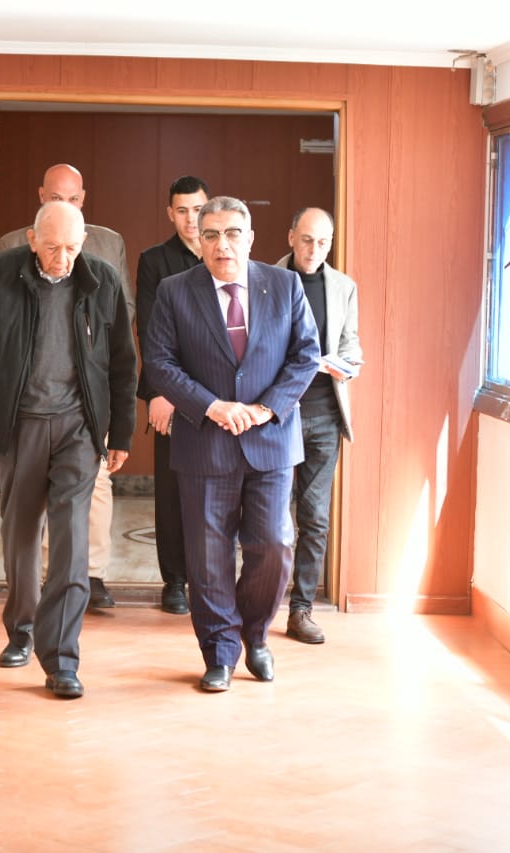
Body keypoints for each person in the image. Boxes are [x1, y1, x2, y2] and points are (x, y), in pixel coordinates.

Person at [0, 201, 137, 699]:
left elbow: (122, 363)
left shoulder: (102, 280)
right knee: (21, 533)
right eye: (52, 247)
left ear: (83, 243)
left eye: (71, 248)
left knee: (71, 539)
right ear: (32, 240)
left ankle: (62, 658)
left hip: (79, 428)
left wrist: (121, 434)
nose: (62, 258)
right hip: (18, 425)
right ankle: (22, 629)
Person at [144, 196, 319, 692]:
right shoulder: (175, 291)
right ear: (199, 241)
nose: (223, 245)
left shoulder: (284, 285)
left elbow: (306, 355)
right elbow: (159, 363)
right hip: (205, 440)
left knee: (274, 545)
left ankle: (255, 635)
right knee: (207, 557)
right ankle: (219, 652)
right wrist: (212, 406)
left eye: (233, 233)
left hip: (271, 439)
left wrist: (266, 409)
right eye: (212, 235)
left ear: (251, 238)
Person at [0, 163, 131, 609]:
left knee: (92, 492)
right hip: (28, 406)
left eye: (72, 199)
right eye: (56, 197)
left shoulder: (108, 243)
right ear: (41, 197)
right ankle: (35, 590)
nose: (63, 256)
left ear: (83, 200)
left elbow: (122, 316)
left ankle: (88, 576)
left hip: (86, 400)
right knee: (27, 506)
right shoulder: (10, 248)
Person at [275, 208, 362, 644]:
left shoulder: (344, 287)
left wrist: (346, 365)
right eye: (307, 239)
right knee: (269, 517)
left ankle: (302, 609)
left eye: (323, 242)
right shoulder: (266, 280)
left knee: (315, 518)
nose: (314, 250)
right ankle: (259, 603)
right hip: (278, 416)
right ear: (291, 236)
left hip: (326, 415)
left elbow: (351, 347)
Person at [134, 175, 210, 615]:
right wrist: (159, 393)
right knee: (171, 491)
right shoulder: (154, 261)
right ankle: (175, 582)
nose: (190, 219)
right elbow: (150, 331)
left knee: (215, 492)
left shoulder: (224, 254)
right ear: (170, 214)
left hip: (217, 395)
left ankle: (209, 580)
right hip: (170, 395)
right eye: (182, 211)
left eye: (197, 209)